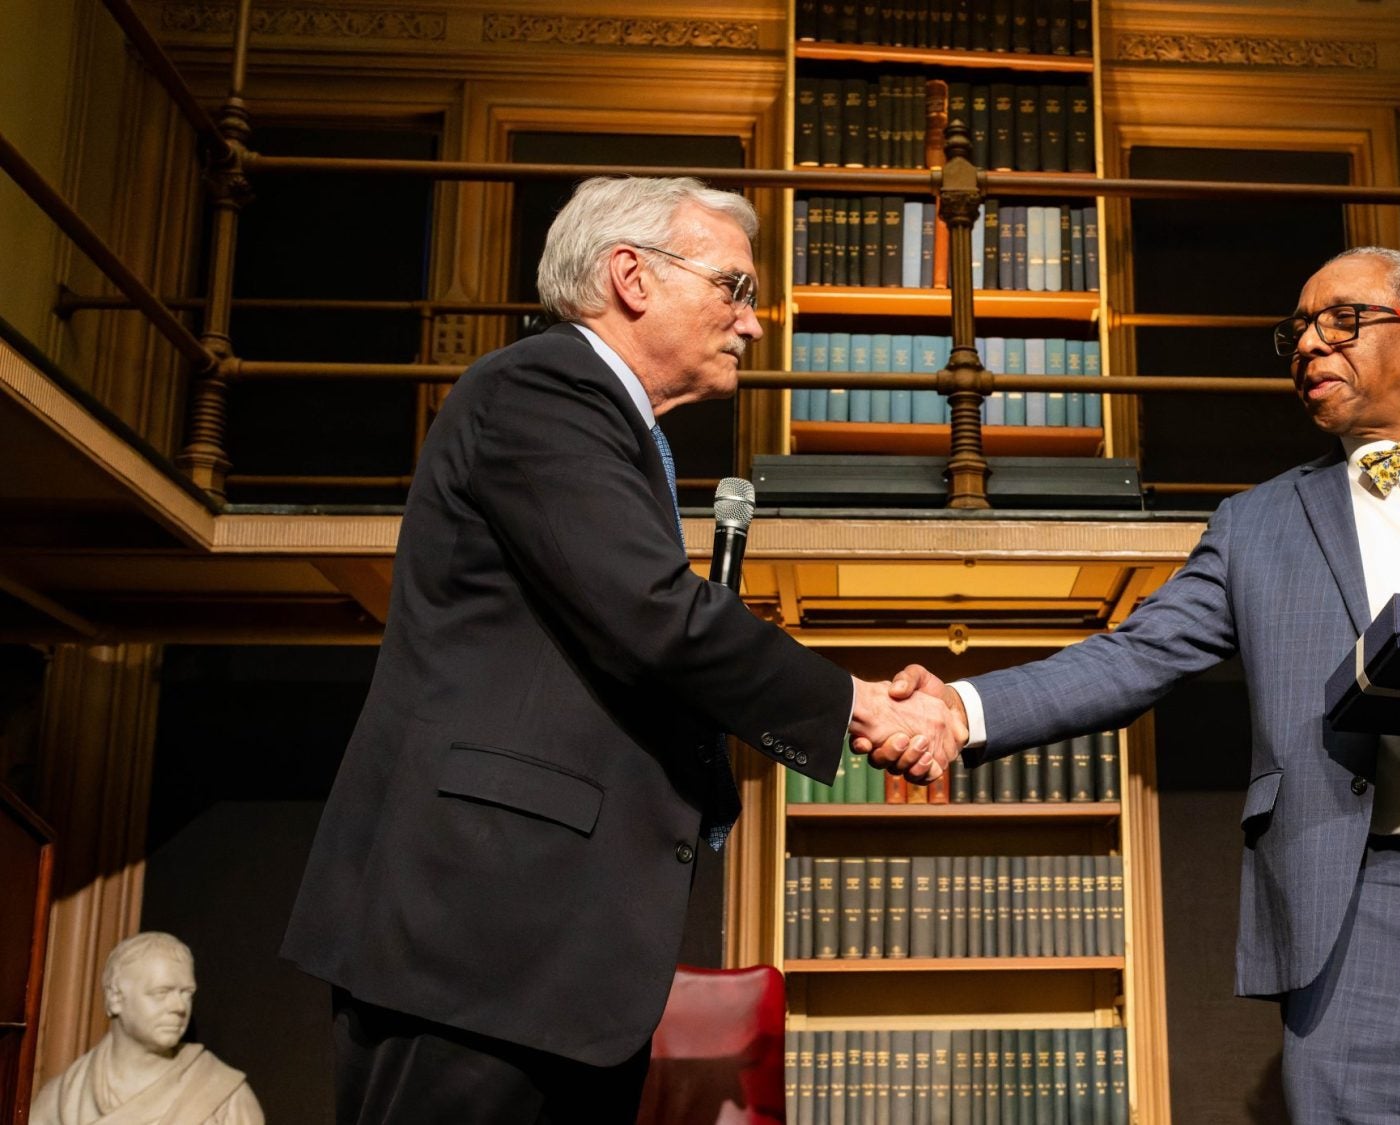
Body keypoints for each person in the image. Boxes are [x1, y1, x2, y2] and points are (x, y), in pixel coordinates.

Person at [866, 247, 1400, 1123]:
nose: (1308, 345)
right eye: (1297, 331)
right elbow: (1135, 652)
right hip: (1365, 912)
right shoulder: (1256, 524)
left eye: (1340, 321)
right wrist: (961, 710)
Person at [281, 176, 959, 1123]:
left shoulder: (605, 425)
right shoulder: (540, 388)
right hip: (475, 948)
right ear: (631, 276)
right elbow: (653, 613)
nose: (753, 324)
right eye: (735, 287)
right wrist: (863, 706)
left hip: (545, 971)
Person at [31, 932, 263, 1125]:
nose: (179, 1007)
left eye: (186, 994)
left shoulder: (224, 1096)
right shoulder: (61, 1100)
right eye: (161, 992)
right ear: (115, 997)